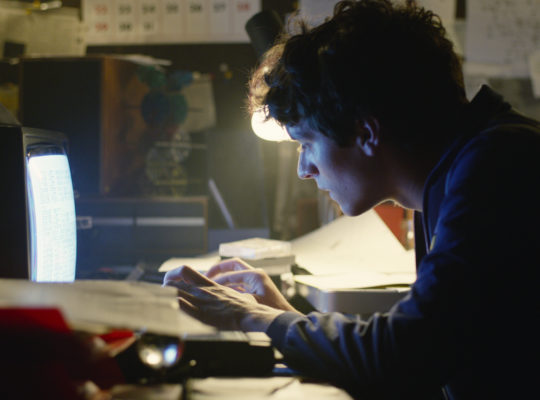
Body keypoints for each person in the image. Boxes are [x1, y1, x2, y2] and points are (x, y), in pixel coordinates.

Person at [163, 1, 540, 398]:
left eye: (306, 143)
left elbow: (407, 353)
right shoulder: (460, 170)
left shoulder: (500, 165)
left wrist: (255, 317)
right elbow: (427, 356)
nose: (303, 169)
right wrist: (280, 317)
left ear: (366, 132)